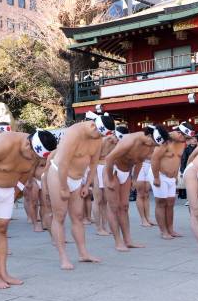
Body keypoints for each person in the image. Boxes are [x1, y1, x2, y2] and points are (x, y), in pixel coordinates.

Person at [0, 130, 57, 288]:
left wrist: (17, 190)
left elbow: (27, 172)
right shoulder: (3, 144)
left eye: (38, 158)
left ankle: (4, 273)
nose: (34, 159)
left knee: (2, 229)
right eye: (33, 155)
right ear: (27, 144)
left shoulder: (35, 154)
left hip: (8, 190)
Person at [46, 113, 115, 270]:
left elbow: (93, 163)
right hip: (59, 175)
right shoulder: (74, 133)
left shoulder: (97, 138)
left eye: (102, 135)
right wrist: (63, 187)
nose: (100, 137)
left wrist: (87, 184)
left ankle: (83, 253)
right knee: (60, 216)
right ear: (92, 125)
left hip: (78, 180)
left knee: (78, 216)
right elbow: (63, 162)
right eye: (99, 133)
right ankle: (63, 257)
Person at [104, 125, 169, 251]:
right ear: (149, 136)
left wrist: (134, 178)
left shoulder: (150, 145)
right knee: (114, 207)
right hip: (113, 171)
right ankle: (118, 242)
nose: (153, 146)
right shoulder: (130, 140)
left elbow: (139, 161)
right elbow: (109, 158)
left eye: (156, 145)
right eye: (153, 143)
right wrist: (110, 179)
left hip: (126, 173)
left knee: (124, 206)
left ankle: (128, 240)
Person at [149, 121, 194, 239]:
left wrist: (176, 175)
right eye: (185, 137)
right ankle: (163, 231)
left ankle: (170, 229)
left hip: (171, 177)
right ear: (179, 133)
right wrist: (156, 177)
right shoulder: (165, 141)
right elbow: (154, 159)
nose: (186, 140)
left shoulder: (181, 143)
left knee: (170, 203)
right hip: (159, 174)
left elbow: (177, 160)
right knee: (161, 203)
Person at [92, 126, 128, 236]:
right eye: (117, 139)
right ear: (113, 135)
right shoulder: (102, 142)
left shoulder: (118, 142)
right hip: (97, 168)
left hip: (108, 168)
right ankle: (98, 228)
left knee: (105, 200)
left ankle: (105, 225)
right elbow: (92, 159)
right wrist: (93, 176)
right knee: (98, 199)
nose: (117, 141)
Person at [179, 136, 198, 200]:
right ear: (189, 141)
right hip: (189, 168)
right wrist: (182, 171)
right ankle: (190, 198)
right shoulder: (186, 149)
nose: (194, 140)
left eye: (195, 138)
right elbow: (183, 160)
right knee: (190, 184)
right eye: (192, 139)